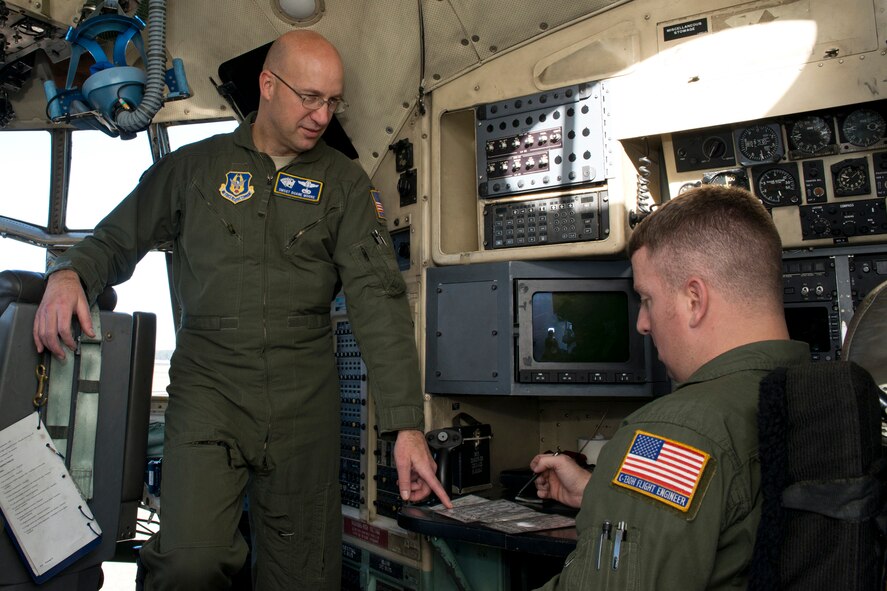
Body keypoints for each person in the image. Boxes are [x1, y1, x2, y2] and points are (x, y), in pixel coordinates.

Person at [33, 30, 451, 590]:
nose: (323, 116)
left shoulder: (344, 184)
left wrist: (405, 426)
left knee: (303, 578)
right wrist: (69, 274)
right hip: (210, 391)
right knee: (189, 565)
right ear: (268, 85)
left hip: (304, 399)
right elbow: (115, 239)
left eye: (333, 101)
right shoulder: (193, 169)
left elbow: (378, 299)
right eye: (310, 97)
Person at [529, 185, 809, 590]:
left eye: (647, 299)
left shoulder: (673, 431)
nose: (643, 323)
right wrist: (601, 493)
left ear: (694, 299)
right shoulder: (809, 395)